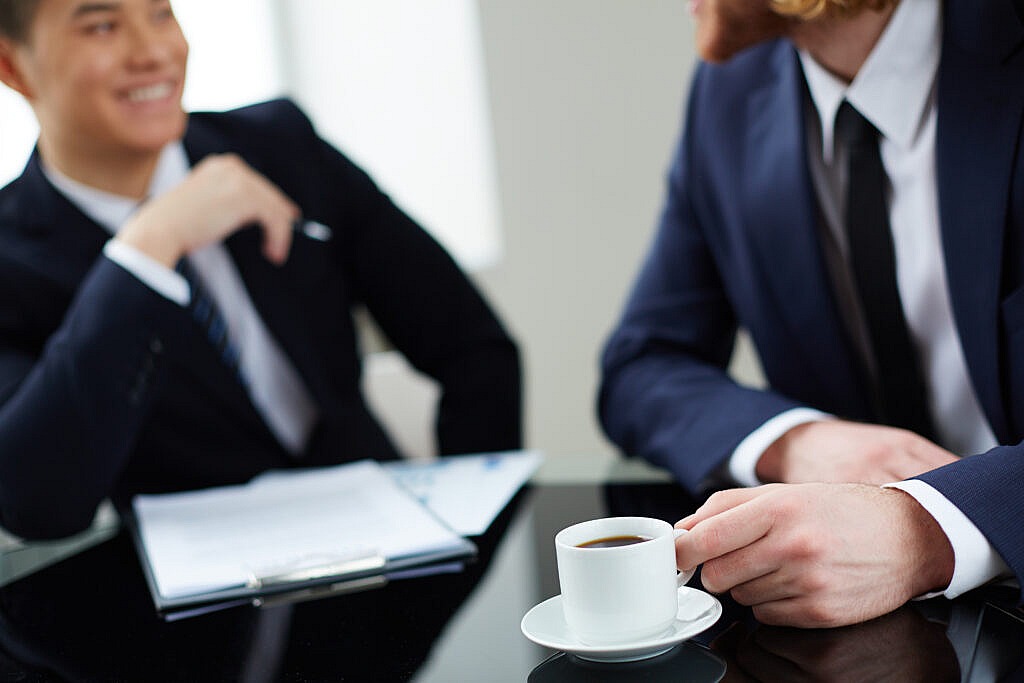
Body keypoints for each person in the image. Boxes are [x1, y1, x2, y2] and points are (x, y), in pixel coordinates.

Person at [0, 0, 521, 540]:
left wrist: (472, 524)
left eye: (161, 14)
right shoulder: (10, 258)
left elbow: (473, 348)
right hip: (191, 607)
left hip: (387, 570)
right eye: (102, 26)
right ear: (12, 66)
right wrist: (148, 245)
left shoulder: (281, 148)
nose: (154, 52)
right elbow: (36, 504)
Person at [599, 0, 1024, 627]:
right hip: (861, 638)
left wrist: (926, 528)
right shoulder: (731, 88)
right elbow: (642, 366)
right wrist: (798, 441)